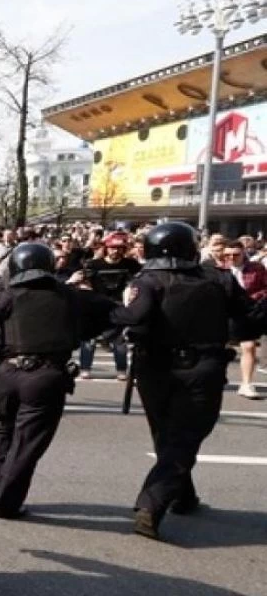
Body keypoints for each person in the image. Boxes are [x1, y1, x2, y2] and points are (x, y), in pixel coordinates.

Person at [110, 222, 262, 540]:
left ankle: (183, 495)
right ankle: (152, 504)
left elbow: (134, 318)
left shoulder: (148, 279)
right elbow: (248, 318)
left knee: (169, 434)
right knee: (184, 437)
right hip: (200, 367)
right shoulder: (218, 279)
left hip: (155, 368)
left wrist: (104, 315)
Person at [0, 243, 116, 518]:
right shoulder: (70, 296)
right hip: (45, 375)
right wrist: (83, 330)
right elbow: (118, 313)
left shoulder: (7, 296)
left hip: (7, 373)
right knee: (27, 442)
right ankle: (5, 501)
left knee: (6, 428)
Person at [79, 232, 140, 380]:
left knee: (119, 340)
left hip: (118, 305)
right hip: (96, 305)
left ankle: (121, 369)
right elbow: (83, 281)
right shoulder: (94, 265)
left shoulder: (130, 265)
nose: (116, 251)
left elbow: (140, 279)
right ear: (106, 248)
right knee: (89, 339)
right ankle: (85, 368)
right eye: (113, 248)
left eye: (119, 248)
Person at [217, 241, 267, 400]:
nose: (231, 258)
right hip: (222, 312)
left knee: (249, 346)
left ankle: (246, 384)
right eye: (227, 255)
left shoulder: (256, 268)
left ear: (244, 253)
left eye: (236, 254)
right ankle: (217, 377)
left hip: (247, 311)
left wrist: (254, 299)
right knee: (219, 347)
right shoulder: (216, 270)